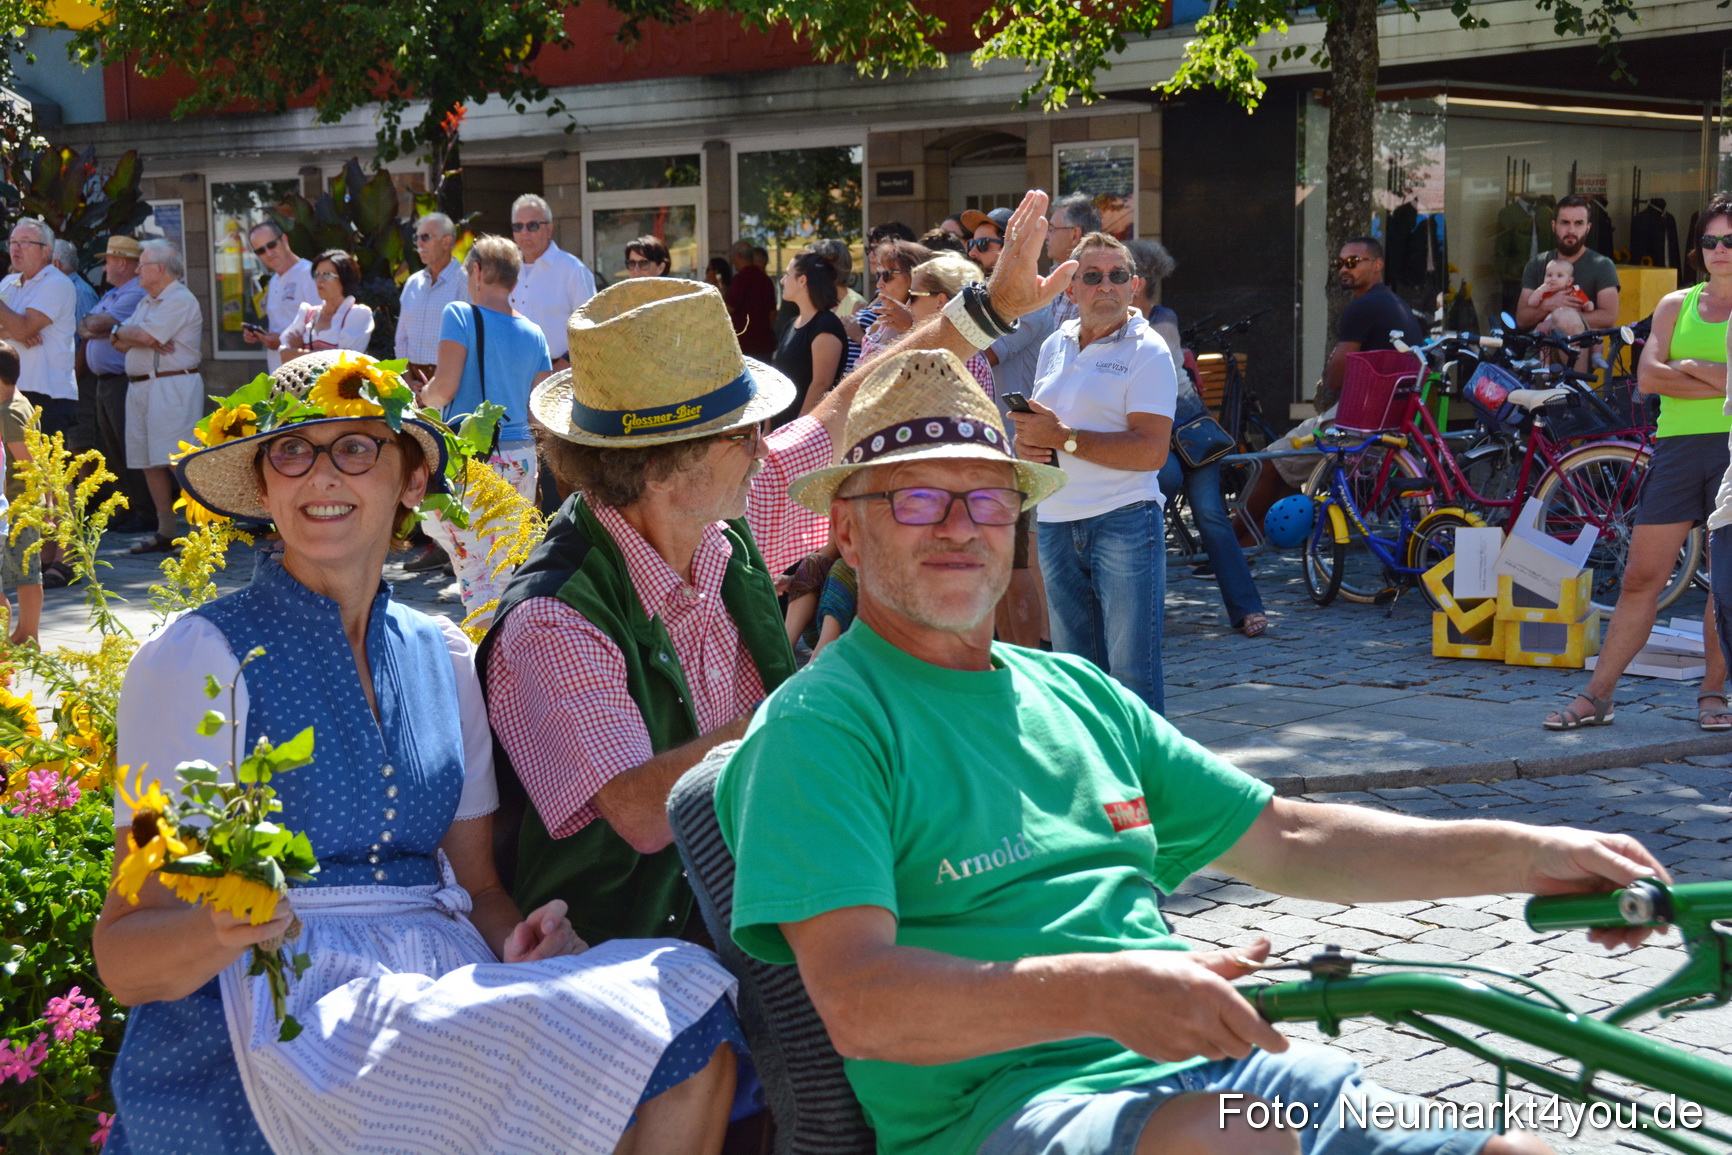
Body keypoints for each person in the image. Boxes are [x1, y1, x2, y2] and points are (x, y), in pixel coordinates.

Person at [718, 276, 1663, 1155]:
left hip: (1234, 1083)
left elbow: (1289, 835)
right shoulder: (825, 726)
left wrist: (1528, 853)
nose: (960, 524)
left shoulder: (1072, 694)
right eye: (918, 497)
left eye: (989, 495)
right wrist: (1112, 989)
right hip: (1027, 1111)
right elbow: (863, 1002)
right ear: (846, 529)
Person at [96, 349, 743, 1155]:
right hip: (279, 1012)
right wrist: (222, 927)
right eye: (292, 452)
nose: (321, 476)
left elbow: (475, 887)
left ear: (408, 482)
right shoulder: (198, 656)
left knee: (683, 1007)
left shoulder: (440, 653)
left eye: (357, 448)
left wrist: (521, 944)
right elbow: (124, 953)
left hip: (430, 996)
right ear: (265, 488)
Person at [479, 276, 843, 947]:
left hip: (752, 920)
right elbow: (644, 813)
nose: (765, 448)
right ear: (660, 463)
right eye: (745, 432)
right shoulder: (552, 617)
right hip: (623, 960)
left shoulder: (718, 528)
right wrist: (811, 708)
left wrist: (980, 315)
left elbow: (836, 420)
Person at [1550, 195, 1732, 732]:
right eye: (1709, 241)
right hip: (1677, 449)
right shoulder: (1676, 304)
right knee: (1639, 578)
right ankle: (1597, 696)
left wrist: (1690, 362)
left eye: (1729, 240)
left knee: (1723, 586)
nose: (1719, 250)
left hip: (1731, 450)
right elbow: (1649, 378)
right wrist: (1714, 373)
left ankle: (1713, 692)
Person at [1011, 231, 1176, 711]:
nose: (1107, 285)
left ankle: (1147, 779)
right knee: (1074, 669)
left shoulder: (1148, 350)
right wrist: (1029, 441)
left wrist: (1062, 437)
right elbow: (1042, 429)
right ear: (1071, 290)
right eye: (1093, 276)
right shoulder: (1055, 343)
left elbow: (1151, 453)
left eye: (1118, 276)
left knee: (1131, 671)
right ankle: (1092, 778)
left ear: (1134, 285)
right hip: (1058, 521)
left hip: (1124, 519)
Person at [1131, 238, 1269, 638]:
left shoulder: (1161, 319)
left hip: (1187, 430)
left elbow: (1159, 379)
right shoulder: (1110, 323)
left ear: (1136, 282)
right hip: (1155, 436)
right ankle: (1145, 612)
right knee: (1153, 499)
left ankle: (1246, 608)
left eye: (1118, 275)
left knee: (1210, 515)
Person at [1239, 237, 1424, 533]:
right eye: (1340, 262)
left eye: (1353, 262)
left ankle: (1231, 542)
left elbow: (1335, 379)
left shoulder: (1363, 308)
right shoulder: (1397, 304)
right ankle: (1261, 537)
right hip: (1388, 417)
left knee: (1271, 460)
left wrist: (1332, 369)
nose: (1343, 269)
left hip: (1358, 419)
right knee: (1290, 466)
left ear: (1377, 265)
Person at [416, 235, 553, 620]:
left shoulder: (459, 314)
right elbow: (537, 410)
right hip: (522, 458)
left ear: (476, 271)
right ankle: (509, 647)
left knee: (475, 569)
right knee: (502, 564)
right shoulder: (535, 332)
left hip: (474, 455)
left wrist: (421, 396)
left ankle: (485, 656)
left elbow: (443, 390)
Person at [110, 241, 204, 556]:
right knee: (148, 460)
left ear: (160, 269)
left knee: (178, 459)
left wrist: (129, 334)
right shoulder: (149, 301)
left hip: (172, 386)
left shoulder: (179, 298)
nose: (136, 270)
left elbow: (143, 337)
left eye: (142, 265)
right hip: (140, 387)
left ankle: (201, 531)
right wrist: (127, 333)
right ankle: (166, 530)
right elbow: (119, 341)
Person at [80, 235, 152, 533]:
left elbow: (93, 325)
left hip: (121, 380)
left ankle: (143, 511)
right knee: (111, 448)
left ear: (122, 262)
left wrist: (96, 327)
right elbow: (84, 325)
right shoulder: (114, 293)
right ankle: (125, 506)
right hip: (105, 382)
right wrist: (97, 327)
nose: (105, 268)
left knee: (128, 446)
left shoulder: (133, 293)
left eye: (108, 261)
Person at [0, 217, 79, 437]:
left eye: (25, 242)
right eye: (13, 242)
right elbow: (21, 330)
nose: (16, 248)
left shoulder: (56, 283)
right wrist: (13, 330)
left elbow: (24, 329)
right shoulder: (8, 282)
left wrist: (18, 330)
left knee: (42, 469)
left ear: (47, 250)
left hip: (46, 394)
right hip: (9, 392)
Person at [508, 193, 597, 373]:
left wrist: (560, 367)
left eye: (532, 226)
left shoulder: (573, 270)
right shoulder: (506, 270)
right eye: (518, 226)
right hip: (513, 374)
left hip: (560, 376)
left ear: (549, 230)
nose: (525, 232)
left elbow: (591, 329)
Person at [1516, 193, 1620, 336]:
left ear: (1588, 228)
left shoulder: (1602, 265)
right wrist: (1547, 305)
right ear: (1554, 226)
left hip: (1580, 349)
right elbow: (1522, 319)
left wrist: (1558, 321)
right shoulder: (1537, 264)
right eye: (1565, 222)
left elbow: (1609, 317)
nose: (1571, 230)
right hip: (1538, 350)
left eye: (1578, 223)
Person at [772, 248, 848, 425]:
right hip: (780, 429)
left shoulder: (826, 326)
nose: (783, 281)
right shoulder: (791, 324)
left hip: (804, 433)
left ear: (802, 280)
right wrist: (768, 427)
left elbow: (821, 384)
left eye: (787, 274)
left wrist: (797, 430)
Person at [395, 212, 469, 383]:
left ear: (447, 242)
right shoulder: (413, 282)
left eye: (426, 237)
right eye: (416, 237)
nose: (419, 244)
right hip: (411, 379)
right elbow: (402, 337)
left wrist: (442, 385)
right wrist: (407, 380)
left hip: (450, 381)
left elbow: (469, 342)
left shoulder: (465, 282)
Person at [904, 252, 994, 392]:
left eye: (913, 296)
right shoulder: (950, 349)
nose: (907, 304)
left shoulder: (961, 358)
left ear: (940, 301)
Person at [0, 341, 41, 645]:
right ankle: (25, 635)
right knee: (26, 574)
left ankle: (26, 634)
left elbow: (28, 464)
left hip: (17, 505)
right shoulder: (20, 401)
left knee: (24, 575)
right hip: (22, 505)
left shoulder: (8, 414)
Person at [242, 221, 316, 372]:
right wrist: (260, 335)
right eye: (261, 250)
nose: (269, 253)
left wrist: (282, 342)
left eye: (271, 245)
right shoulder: (274, 280)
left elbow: (323, 329)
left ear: (284, 240)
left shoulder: (310, 274)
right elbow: (280, 324)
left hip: (305, 375)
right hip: (279, 374)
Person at [280, 249, 374, 360]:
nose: (319, 280)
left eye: (327, 275)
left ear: (344, 279)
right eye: (316, 274)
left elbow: (345, 361)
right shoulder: (307, 314)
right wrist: (326, 355)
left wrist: (300, 352)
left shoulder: (357, 314)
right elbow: (284, 354)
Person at [857, 239, 932, 363]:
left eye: (887, 275)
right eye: (878, 275)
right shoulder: (878, 326)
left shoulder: (935, 322)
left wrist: (911, 329)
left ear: (914, 275)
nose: (879, 284)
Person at [725, 240, 777, 358]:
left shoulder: (740, 279)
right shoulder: (766, 280)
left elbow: (729, 309)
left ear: (738, 256)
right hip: (765, 343)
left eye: (733, 258)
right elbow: (772, 313)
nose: (733, 262)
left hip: (744, 343)